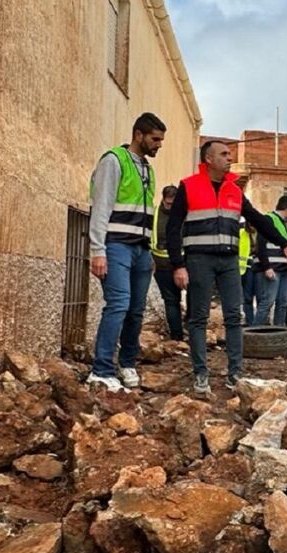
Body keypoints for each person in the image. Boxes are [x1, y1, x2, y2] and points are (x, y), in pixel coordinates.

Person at [166, 140, 287, 395]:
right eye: (224, 154)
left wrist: (284, 244)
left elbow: (258, 220)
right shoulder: (189, 186)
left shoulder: (234, 190)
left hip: (228, 261)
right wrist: (178, 264)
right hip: (199, 259)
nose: (230, 158)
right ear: (209, 159)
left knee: (234, 317)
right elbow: (173, 227)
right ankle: (200, 374)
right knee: (198, 318)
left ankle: (235, 373)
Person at [87, 112, 166, 392]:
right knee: (118, 304)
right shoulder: (114, 161)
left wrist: (151, 252)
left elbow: (148, 214)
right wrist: (98, 250)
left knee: (136, 310)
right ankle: (101, 371)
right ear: (139, 135)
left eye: (161, 140)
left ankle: (127, 362)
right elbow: (101, 207)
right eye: (155, 139)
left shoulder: (147, 169)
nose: (158, 145)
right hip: (116, 246)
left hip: (141, 250)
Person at [252, 195, 287, 326]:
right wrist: (266, 267)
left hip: (284, 269)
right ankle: (254, 333)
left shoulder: (284, 225)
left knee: (283, 302)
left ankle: (278, 334)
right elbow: (260, 244)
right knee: (267, 302)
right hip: (272, 268)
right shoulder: (268, 220)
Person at [150, 184, 184, 341]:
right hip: (162, 264)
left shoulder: (182, 214)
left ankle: (183, 331)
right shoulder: (155, 214)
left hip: (181, 264)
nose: (170, 207)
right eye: (168, 203)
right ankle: (177, 336)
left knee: (186, 299)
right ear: (163, 200)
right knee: (171, 301)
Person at [240, 219, 256, 325]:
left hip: (259, 267)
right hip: (245, 268)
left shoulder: (262, 234)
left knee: (261, 295)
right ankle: (250, 321)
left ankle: (260, 320)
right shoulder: (241, 233)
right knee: (248, 296)